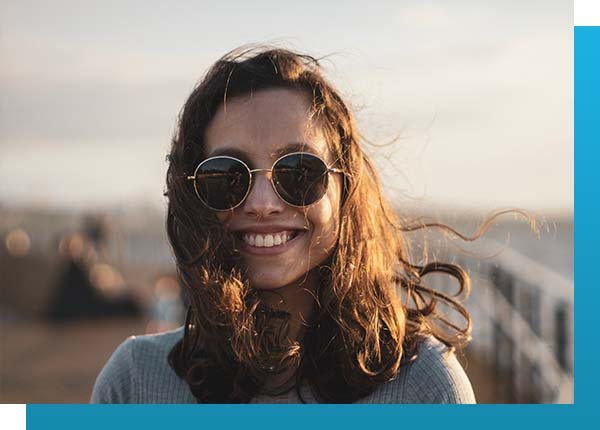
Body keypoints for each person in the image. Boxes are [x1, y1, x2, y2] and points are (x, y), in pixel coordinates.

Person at [91, 46, 476, 404]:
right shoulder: (135, 383)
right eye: (226, 176)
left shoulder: (423, 388)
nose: (263, 204)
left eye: (298, 172)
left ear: (347, 188)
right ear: (192, 196)